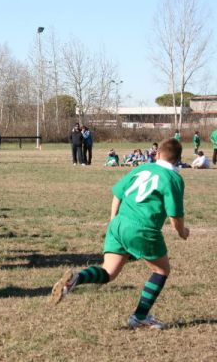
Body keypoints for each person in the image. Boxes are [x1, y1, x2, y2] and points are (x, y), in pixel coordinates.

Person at [51, 138, 189, 330]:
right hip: (143, 228)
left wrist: (113, 220)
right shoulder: (173, 178)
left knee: (108, 272)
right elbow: (175, 215)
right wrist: (182, 232)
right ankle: (140, 316)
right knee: (161, 270)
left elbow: (118, 193)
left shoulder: (141, 169)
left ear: (157, 155)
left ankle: (77, 278)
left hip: (118, 224)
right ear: (178, 159)